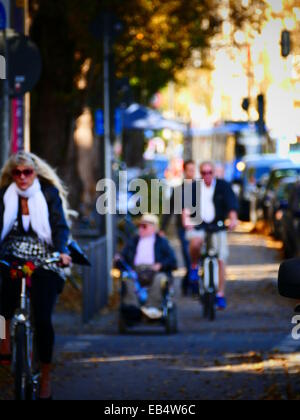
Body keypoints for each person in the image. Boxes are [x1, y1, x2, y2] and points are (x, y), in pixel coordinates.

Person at [0, 151, 74, 400]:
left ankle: (45, 377)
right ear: (12, 175)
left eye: (27, 172)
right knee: (1, 308)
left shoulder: (49, 194)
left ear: (35, 173)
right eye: (17, 173)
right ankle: (3, 342)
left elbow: (60, 227)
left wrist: (62, 251)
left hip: (44, 257)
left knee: (43, 319)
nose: (22, 178)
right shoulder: (4, 195)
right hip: (10, 255)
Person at [183, 161, 238, 310]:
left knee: (221, 258)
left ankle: (220, 294)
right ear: (199, 174)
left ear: (214, 173)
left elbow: (231, 205)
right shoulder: (194, 187)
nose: (206, 175)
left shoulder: (223, 186)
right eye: (203, 172)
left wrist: (233, 220)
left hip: (217, 226)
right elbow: (186, 209)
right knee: (195, 242)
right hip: (199, 225)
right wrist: (187, 221)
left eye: (209, 172)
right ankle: (194, 267)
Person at [121, 214, 177, 319]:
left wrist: (160, 265)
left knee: (160, 279)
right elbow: (123, 257)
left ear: (154, 228)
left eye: (144, 226)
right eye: (140, 226)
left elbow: (172, 261)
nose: (141, 229)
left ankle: (152, 308)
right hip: (136, 271)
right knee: (127, 278)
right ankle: (132, 309)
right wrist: (118, 259)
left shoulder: (162, 242)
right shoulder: (133, 241)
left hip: (154, 271)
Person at [161, 160, 196, 295]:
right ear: (184, 171)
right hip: (183, 228)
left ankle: (188, 282)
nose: (191, 173)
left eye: (193, 170)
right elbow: (169, 210)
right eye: (189, 170)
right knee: (188, 257)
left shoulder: (201, 188)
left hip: (198, 228)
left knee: (195, 257)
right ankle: (191, 285)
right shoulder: (178, 191)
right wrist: (162, 229)